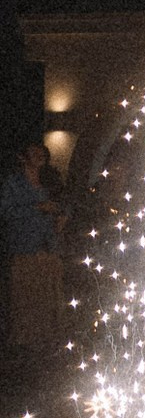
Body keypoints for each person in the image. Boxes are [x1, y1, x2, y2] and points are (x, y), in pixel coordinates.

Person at [3, 141, 65, 357]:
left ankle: (50, 345)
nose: (39, 155)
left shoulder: (50, 181)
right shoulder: (14, 184)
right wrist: (37, 207)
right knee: (27, 300)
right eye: (33, 152)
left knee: (49, 301)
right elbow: (6, 212)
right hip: (25, 250)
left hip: (49, 249)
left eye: (41, 152)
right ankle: (26, 349)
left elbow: (64, 203)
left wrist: (61, 217)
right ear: (23, 157)